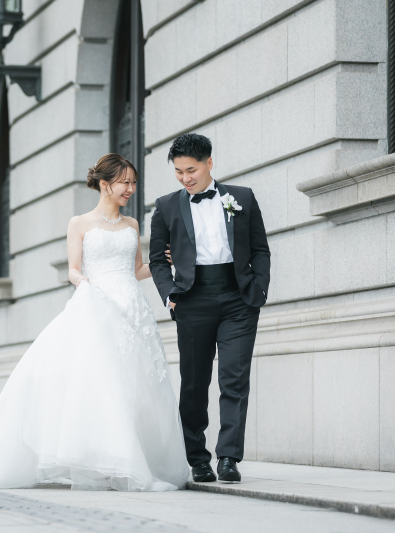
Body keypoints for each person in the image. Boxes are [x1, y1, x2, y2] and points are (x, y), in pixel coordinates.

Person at [0, 153, 190, 491]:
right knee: (103, 383)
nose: (131, 188)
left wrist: (163, 263)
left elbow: (135, 270)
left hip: (133, 311)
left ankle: (131, 462)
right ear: (104, 184)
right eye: (125, 182)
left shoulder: (133, 225)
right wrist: (82, 283)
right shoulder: (79, 223)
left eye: (133, 182)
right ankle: (106, 463)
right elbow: (73, 269)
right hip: (97, 305)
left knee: (134, 386)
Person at [150, 133, 270, 483]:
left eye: (191, 170)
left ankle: (229, 457)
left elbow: (260, 248)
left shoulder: (242, 197)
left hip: (238, 299)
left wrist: (259, 288)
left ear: (209, 163)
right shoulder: (166, 206)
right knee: (194, 383)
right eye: (178, 172)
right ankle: (198, 459)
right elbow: (157, 259)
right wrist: (169, 294)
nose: (185, 178)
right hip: (192, 299)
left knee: (234, 379)